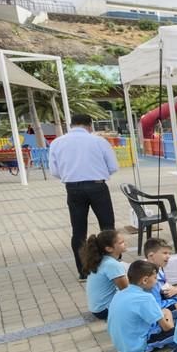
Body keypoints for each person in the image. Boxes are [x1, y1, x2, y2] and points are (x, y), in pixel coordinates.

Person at [48, 113, 119, 280]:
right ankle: (112, 266)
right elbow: (113, 166)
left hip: (73, 188)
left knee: (78, 230)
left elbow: (54, 171)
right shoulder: (99, 141)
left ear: (71, 124)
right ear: (90, 125)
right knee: (107, 227)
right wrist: (99, 174)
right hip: (97, 186)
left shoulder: (57, 143)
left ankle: (84, 271)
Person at [106, 260, 176, 352]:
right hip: (137, 346)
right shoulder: (146, 298)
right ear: (145, 280)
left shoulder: (119, 293)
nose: (156, 282)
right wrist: (167, 314)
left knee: (169, 316)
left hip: (121, 345)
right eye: (155, 278)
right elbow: (167, 328)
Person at [82, 230, 128, 320]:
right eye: (121, 242)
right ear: (109, 248)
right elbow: (126, 290)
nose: (125, 244)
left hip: (97, 308)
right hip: (104, 310)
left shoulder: (103, 259)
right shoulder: (112, 265)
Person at [143, 238, 177, 318]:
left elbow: (167, 288)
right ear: (151, 256)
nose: (168, 256)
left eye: (169, 253)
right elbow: (157, 307)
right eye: (165, 253)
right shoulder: (148, 277)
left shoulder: (158, 271)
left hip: (167, 304)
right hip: (162, 312)